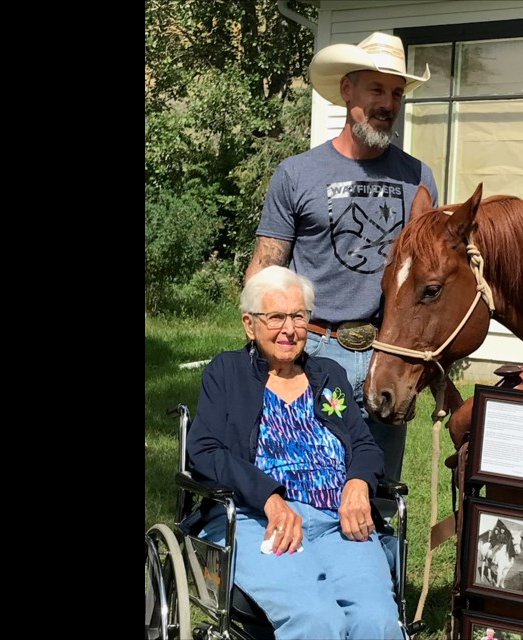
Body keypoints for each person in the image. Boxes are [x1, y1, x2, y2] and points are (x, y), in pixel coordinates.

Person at [245, 31, 439, 483]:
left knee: (379, 490)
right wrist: (256, 349)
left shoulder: (419, 177)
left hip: (385, 354)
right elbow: (266, 268)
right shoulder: (297, 173)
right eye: (376, 89)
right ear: (346, 90)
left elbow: (429, 278)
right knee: (302, 479)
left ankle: (378, 553)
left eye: (396, 93)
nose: (388, 103)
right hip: (310, 348)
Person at [187, 266, 403, 639]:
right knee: (317, 620)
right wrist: (268, 496)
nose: (289, 329)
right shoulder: (227, 372)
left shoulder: (328, 374)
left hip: (339, 522)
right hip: (258, 520)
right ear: (249, 324)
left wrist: (357, 483)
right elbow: (204, 450)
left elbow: (364, 444)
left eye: (299, 316)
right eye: (276, 317)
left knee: (378, 622)